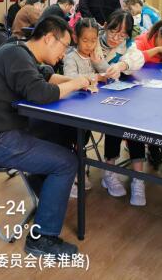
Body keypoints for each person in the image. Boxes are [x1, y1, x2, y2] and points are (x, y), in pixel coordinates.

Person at [0, 16, 90, 257]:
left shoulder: (20, 52)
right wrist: (76, 84)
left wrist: (81, 80)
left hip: (2, 130)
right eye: (65, 46)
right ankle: (42, 239)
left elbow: (46, 78)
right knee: (67, 163)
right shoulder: (16, 55)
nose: (64, 53)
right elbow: (41, 92)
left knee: (57, 132)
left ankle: (47, 199)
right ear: (49, 38)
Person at [94, 10, 147, 205]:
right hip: (91, 97)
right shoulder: (92, 40)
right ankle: (109, 172)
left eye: (122, 35)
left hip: (118, 98)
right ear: (105, 26)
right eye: (113, 32)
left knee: (132, 124)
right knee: (113, 124)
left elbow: (138, 58)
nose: (116, 38)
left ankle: (138, 179)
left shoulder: (128, 46)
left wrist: (122, 65)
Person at [63, 17, 109, 198]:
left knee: (84, 138)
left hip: (90, 107)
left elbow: (108, 73)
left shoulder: (93, 56)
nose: (89, 45)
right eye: (85, 40)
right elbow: (71, 78)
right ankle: (73, 174)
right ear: (76, 38)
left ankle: (79, 166)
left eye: (93, 40)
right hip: (73, 107)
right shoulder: (71, 58)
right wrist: (95, 77)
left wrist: (98, 62)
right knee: (75, 140)